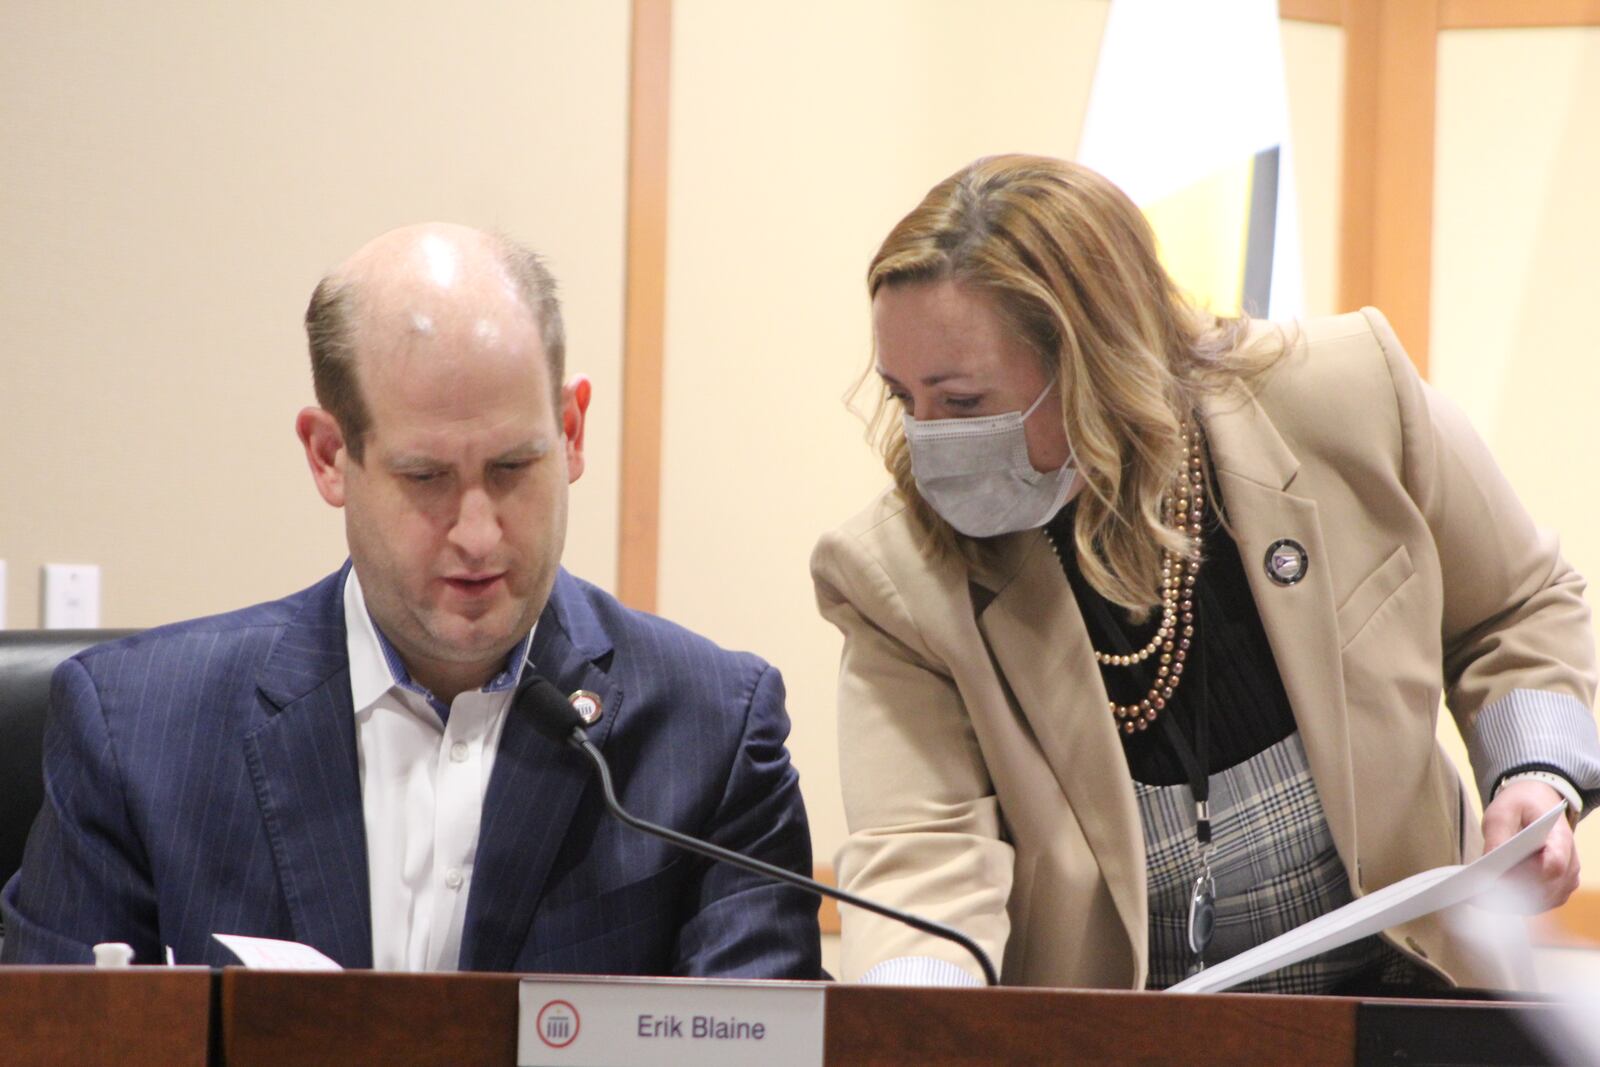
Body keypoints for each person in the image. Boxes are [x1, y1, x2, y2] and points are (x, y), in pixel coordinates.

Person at [811, 154, 1600, 992]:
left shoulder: (1348, 396)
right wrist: (914, 1014)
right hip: (1118, 1042)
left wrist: (1531, 774)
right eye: (904, 398)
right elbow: (918, 851)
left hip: (1402, 1001)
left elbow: (1515, 606)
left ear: (1094, 358)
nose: (930, 441)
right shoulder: (895, 574)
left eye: (962, 402)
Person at [2, 223, 822, 977]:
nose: (478, 533)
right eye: (426, 477)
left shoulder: (712, 731)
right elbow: (58, 1042)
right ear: (330, 455)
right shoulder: (136, 731)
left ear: (571, 431)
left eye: (513, 467)